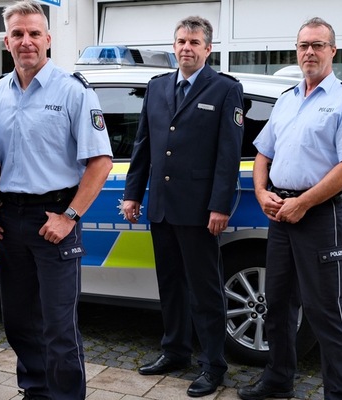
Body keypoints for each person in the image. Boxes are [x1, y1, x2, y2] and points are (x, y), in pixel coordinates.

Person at [0, 1, 113, 398]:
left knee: (59, 327)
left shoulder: (73, 90)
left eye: (34, 34)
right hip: (10, 221)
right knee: (19, 322)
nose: (26, 42)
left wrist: (70, 216)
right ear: (7, 41)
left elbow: (101, 162)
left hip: (54, 218)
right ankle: (35, 390)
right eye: (18, 34)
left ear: (48, 39)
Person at [238, 17, 342, 400]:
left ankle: (341, 395)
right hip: (281, 214)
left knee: (327, 311)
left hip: (320, 215)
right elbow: (263, 152)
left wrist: (303, 203)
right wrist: (262, 193)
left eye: (317, 45)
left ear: (333, 51)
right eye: (303, 46)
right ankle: (278, 382)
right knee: (276, 303)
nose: (309, 52)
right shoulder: (287, 99)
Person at [121, 16, 244, 398]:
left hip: (199, 211)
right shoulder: (157, 88)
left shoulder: (224, 89)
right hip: (161, 206)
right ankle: (175, 351)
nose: (186, 47)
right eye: (180, 41)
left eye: (194, 42)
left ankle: (213, 365)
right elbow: (144, 146)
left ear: (208, 48)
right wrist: (132, 194)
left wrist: (220, 206)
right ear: (173, 46)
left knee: (204, 291)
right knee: (170, 285)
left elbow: (229, 154)